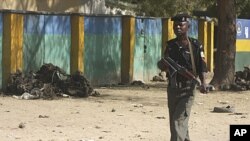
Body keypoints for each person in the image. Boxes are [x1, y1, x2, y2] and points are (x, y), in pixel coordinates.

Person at [157, 13, 208, 141]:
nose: (177, 27)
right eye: (175, 25)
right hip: (173, 89)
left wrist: (203, 83)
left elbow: (201, 66)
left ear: (188, 26)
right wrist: (163, 65)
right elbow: (163, 65)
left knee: (178, 122)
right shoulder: (170, 45)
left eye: (181, 25)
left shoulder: (195, 45)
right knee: (177, 122)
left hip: (188, 89)